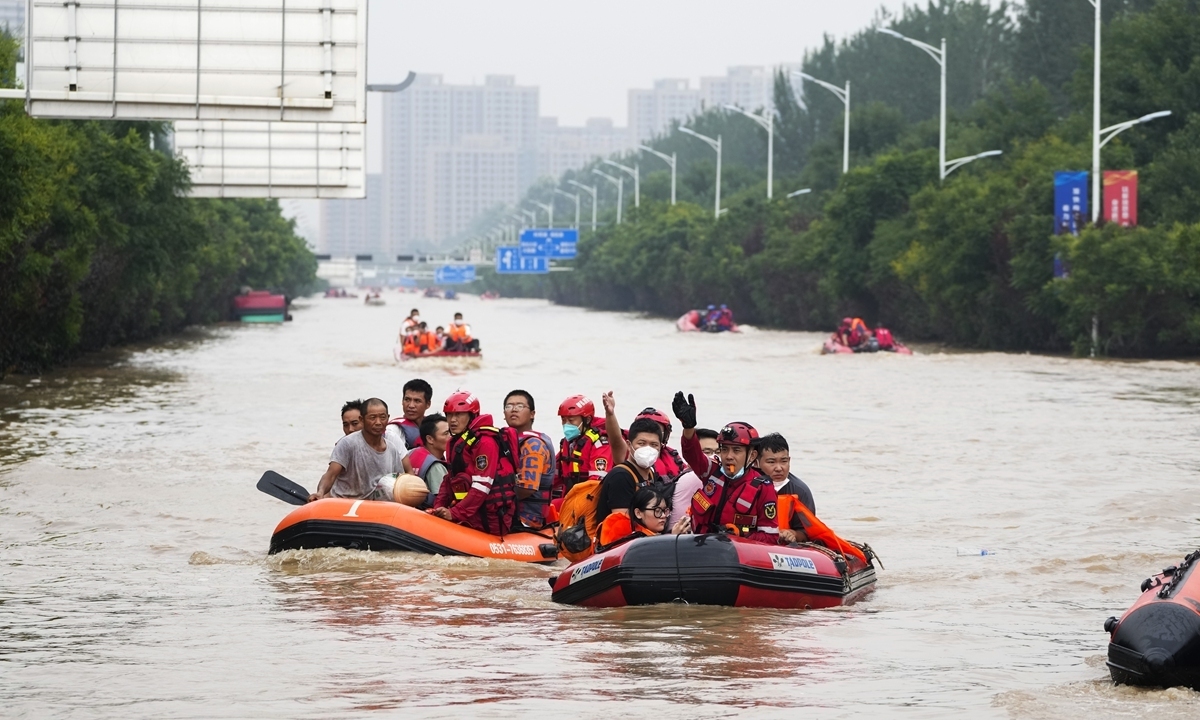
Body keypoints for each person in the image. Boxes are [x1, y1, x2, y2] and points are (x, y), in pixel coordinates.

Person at [671, 391, 779, 544]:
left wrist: (738, 535)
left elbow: (771, 537)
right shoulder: (712, 471)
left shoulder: (763, 488)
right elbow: (692, 454)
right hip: (701, 546)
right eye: (724, 449)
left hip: (735, 552)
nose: (729, 456)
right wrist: (688, 428)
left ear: (752, 456)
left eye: (736, 450)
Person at [428, 391, 517, 535]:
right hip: (468, 514)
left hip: (489, 519)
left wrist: (454, 513)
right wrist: (438, 507)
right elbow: (449, 480)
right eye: (449, 415)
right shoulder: (455, 442)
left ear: (472, 415)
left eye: (459, 414)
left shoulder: (485, 442)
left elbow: (482, 486)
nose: (453, 420)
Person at [310, 398, 406, 502]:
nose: (378, 422)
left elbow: (399, 481)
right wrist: (320, 492)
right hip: (344, 502)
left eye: (382, 417)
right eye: (372, 418)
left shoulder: (392, 449)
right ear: (362, 419)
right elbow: (331, 475)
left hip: (375, 506)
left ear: (388, 418)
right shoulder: (347, 443)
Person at [595, 418, 669, 525]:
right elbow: (621, 525)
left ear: (660, 447)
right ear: (629, 445)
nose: (648, 449)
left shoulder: (650, 474)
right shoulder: (621, 477)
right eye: (641, 443)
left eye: (654, 445)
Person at [602, 395, 688, 481]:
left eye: (656, 430)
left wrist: (688, 426)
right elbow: (616, 441)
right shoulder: (631, 452)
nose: (650, 432)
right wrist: (610, 414)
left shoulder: (672, 456)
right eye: (642, 443)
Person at [503, 389, 555, 530]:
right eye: (509, 406)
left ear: (532, 414)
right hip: (509, 513)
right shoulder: (506, 442)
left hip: (526, 519)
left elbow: (527, 488)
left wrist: (494, 500)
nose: (514, 410)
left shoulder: (533, 444)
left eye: (520, 406)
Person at [756, 433, 816, 544]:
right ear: (757, 462)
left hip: (786, 548)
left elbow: (808, 533)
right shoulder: (749, 486)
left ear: (789, 460)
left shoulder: (800, 491)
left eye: (784, 461)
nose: (779, 468)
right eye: (771, 462)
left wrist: (793, 534)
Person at [596, 484, 691, 552]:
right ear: (638, 513)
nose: (663, 515)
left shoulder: (654, 535)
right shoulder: (625, 535)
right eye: (657, 511)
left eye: (664, 511)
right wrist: (673, 539)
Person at [555, 394, 613, 496]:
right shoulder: (569, 443)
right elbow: (553, 476)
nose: (566, 424)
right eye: (563, 420)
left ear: (588, 420)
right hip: (570, 497)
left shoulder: (600, 443)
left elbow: (596, 484)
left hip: (589, 499)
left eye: (571, 420)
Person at [668, 428, 719, 527]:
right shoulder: (693, 477)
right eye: (707, 452)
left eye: (718, 451)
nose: (714, 456)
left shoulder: (717, 476)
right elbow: (678, 522)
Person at [402, 414, 450, 502]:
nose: (451, 437)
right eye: (446, 433)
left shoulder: (410, 453)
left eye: (451, 432)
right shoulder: (436, 466)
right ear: (430, 439)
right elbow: (443, 500)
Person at [386, 378, 433, 450]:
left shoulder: (433, 429)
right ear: (402, 401)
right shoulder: (393, 430)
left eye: (417, 401)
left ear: (428, 404)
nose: (411, 405)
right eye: (407, 400)